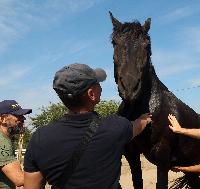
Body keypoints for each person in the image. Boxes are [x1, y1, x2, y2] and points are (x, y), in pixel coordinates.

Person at [23, 63, 152, 189]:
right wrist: (145, 119)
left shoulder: (39, 138)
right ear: (91, 94)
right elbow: (137, 126)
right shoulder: (115, 126)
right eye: (98, 84)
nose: (101, 88)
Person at [0, 100, 32, 189]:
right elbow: (20, 179)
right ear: (3, 119)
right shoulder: (2, 142)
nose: (24, 119)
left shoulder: (5, 139)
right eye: (18, 116)